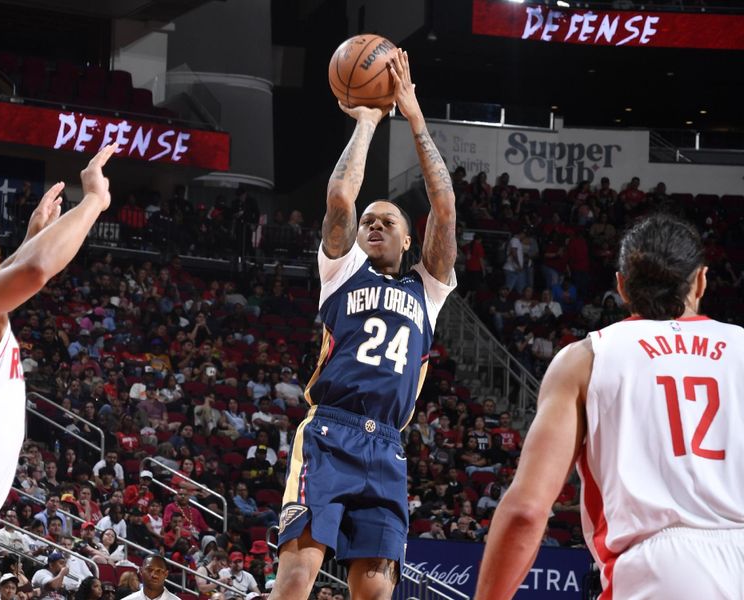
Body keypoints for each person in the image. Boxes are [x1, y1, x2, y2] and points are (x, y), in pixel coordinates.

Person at [474, 213, 744, 600]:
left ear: (621, 287)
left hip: (661, 573)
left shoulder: (587, 358)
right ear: (700, 280)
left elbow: (526, 511)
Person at [270, 49, 456, 600]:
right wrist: (371, 120)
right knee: (297, 579)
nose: (374, 225)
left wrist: (415, 117)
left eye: (388, 221)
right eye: (369, 222)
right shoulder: (342, 270)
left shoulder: (429, 287)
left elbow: (444, 209)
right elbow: (340, 197)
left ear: (408, 240)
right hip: (330, 432)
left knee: (375, 592)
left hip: (388, 450)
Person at [0, 145, 116, 599]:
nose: (7, 266)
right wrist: (94, 200)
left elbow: (23, 269)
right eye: (0, 259)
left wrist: (30, 238)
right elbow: (35, 270)